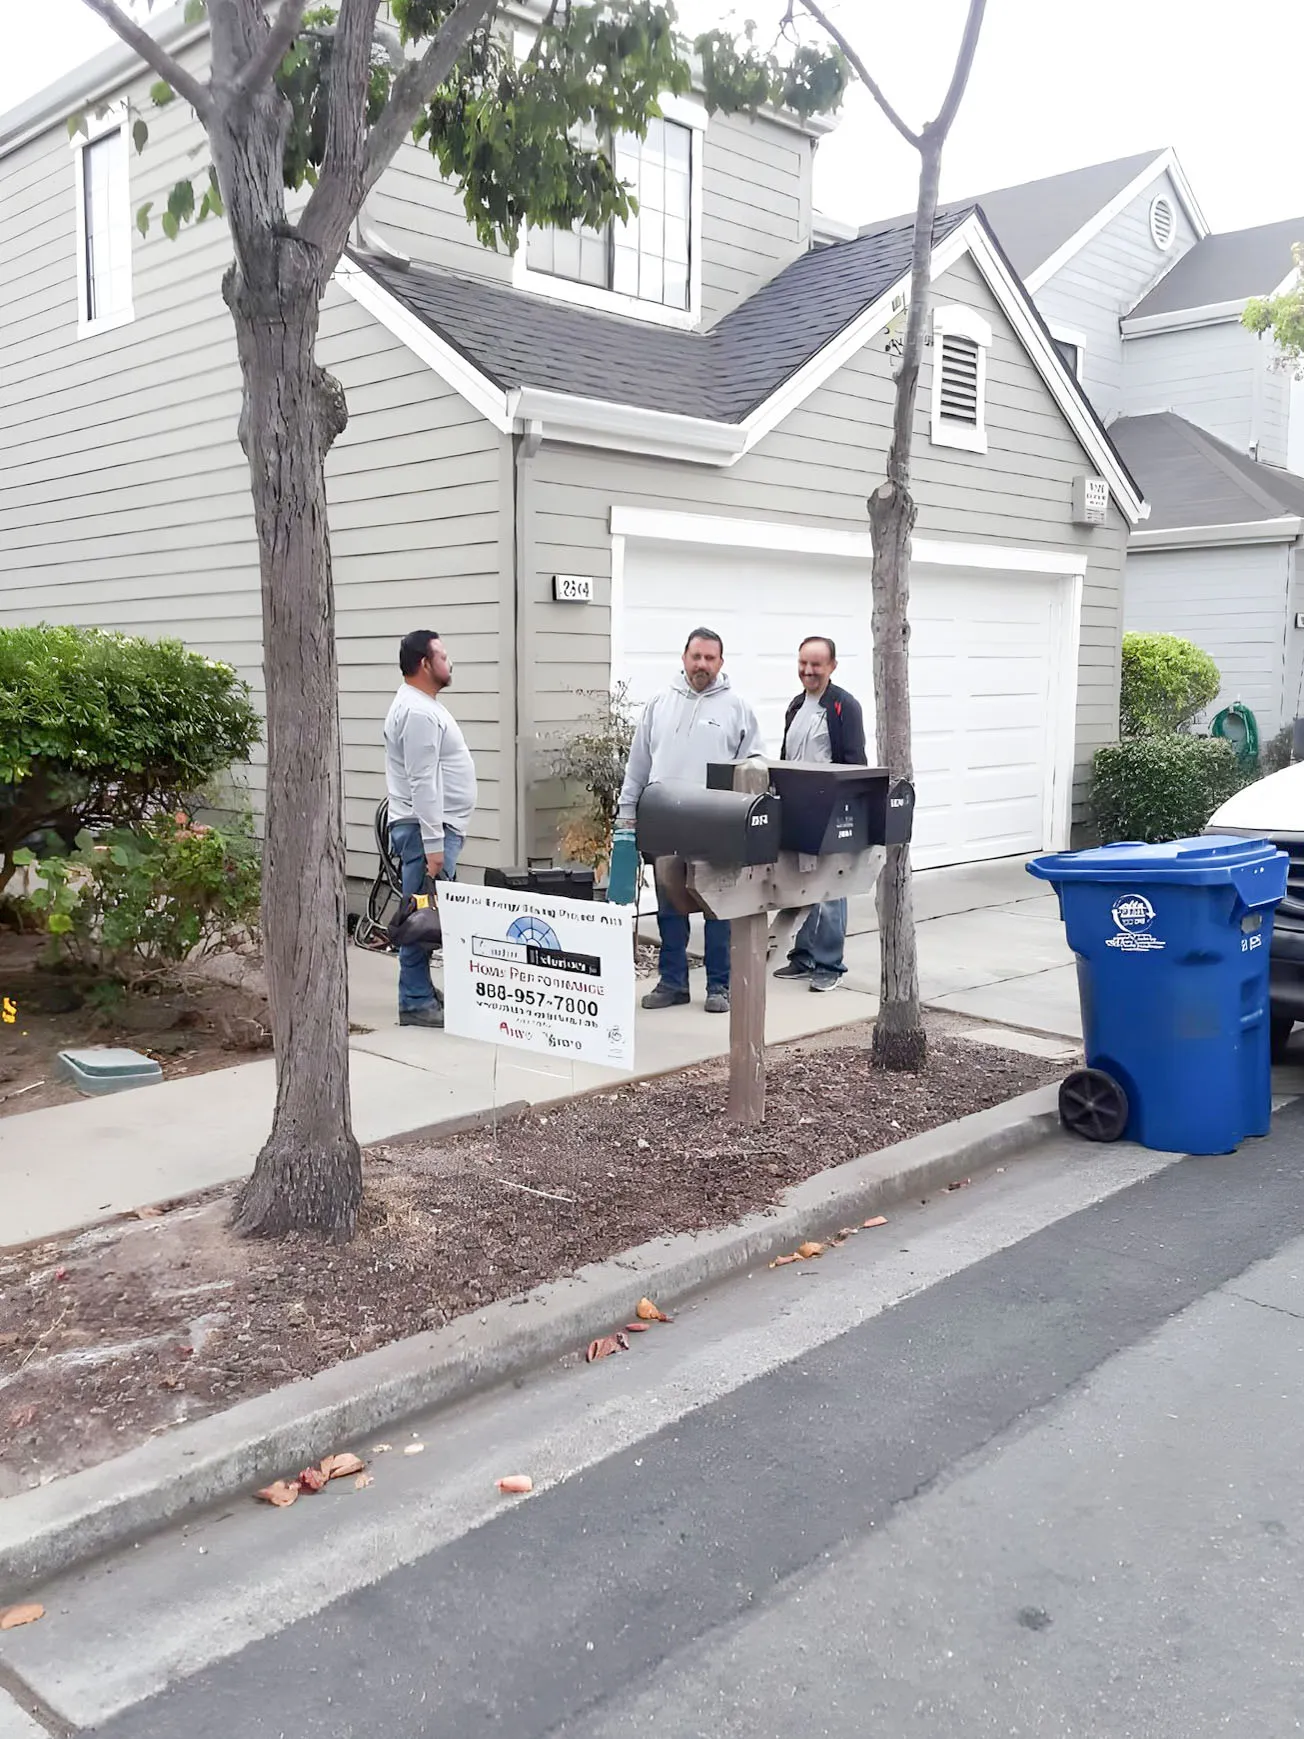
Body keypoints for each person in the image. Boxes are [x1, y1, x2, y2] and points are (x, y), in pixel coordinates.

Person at [617, 628, 763, 1014]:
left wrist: (747, 820)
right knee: (670, 908)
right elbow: (638, 765)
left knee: (717, 910)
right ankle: (672, 983)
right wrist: (627, 814)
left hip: (717, 825)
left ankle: (719, 986)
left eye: (710, 658)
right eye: (696, 656)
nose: (702, 665)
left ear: (721, 662)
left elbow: (755, 768)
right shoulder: (659, 704)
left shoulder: (737, 708)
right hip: (667, 822)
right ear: (684, 658)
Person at [383, 629, 477, 1028]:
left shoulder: (420, 705)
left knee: (425, 912)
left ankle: (420, 990)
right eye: (442, 655)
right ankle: (415, 1001)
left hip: (430, 831)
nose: (449, 662)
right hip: (427, 834)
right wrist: (434, 844)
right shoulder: (419, 713)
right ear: (425, 663)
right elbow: (422, 780)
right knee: (421, 917)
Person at [773, 634, 867, 992]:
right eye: (803, 663)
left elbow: (855, 763)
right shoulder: (796, 705)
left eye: (816, 664)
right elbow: (786, 756)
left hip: (831, 813)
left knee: (830, 889)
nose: (808, 670)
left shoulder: (844, 706)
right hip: (797, 811)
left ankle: (829, 964)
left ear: (832, 666)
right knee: (801, 886)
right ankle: (803, 957)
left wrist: (849, 815)